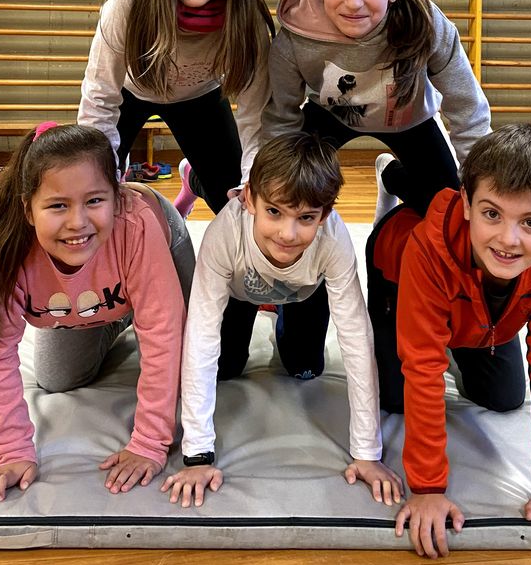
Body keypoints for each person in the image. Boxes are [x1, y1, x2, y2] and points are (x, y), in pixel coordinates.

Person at [368, 124, 531, 558]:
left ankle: (459, 336)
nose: (508, 239)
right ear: (466, 204)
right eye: (492, 214)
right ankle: (393, 179)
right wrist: (428, 488)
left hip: (480, 313)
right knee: (395, 399)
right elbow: (423, 367)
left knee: (504, 397)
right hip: (396, 273)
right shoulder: (426, 248)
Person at [161, 133, 401, 509]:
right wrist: (197, 455)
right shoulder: (225, 233)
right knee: (226, 368)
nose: (288, 234)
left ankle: (277, 308)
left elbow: (357, 339)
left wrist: (367, 453)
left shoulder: (332, 240)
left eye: (305, 218)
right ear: (249, 199)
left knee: (305, 368)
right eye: (274, 211)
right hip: (240, 291)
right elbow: (201, 336)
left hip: (304, 291)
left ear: (325, 215)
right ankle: (194, 179)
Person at [0, 122, 193, 503]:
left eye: (95, 201)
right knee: (57, 378)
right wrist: (12, 451)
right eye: (57, 205)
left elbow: (164, 335)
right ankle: (126, 308)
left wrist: (150, 441)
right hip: (100, 293)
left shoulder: (135, 225)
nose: (77, 222)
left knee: (200, 360)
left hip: (162, 232)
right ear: (28, 209)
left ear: (116, 196)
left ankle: (147, 277)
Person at [262, 0, 491, 218]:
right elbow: (281, 117)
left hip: (409, 119)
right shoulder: (295, 36)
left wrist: (484, 183)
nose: (353, 2)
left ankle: (391, 177)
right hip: (331, 115)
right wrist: (272, 179)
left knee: (446, 211)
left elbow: (467, 109)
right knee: (292, 195)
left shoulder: (427, 24)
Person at [79, 0, 273, 215]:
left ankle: (193, 180)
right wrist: (98, 179)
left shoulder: (246, 15)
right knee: (98, 191)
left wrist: (253, 178)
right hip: (130, 93)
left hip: (199, 96)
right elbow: (99, 97)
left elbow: (256, 114)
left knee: (233, 204)